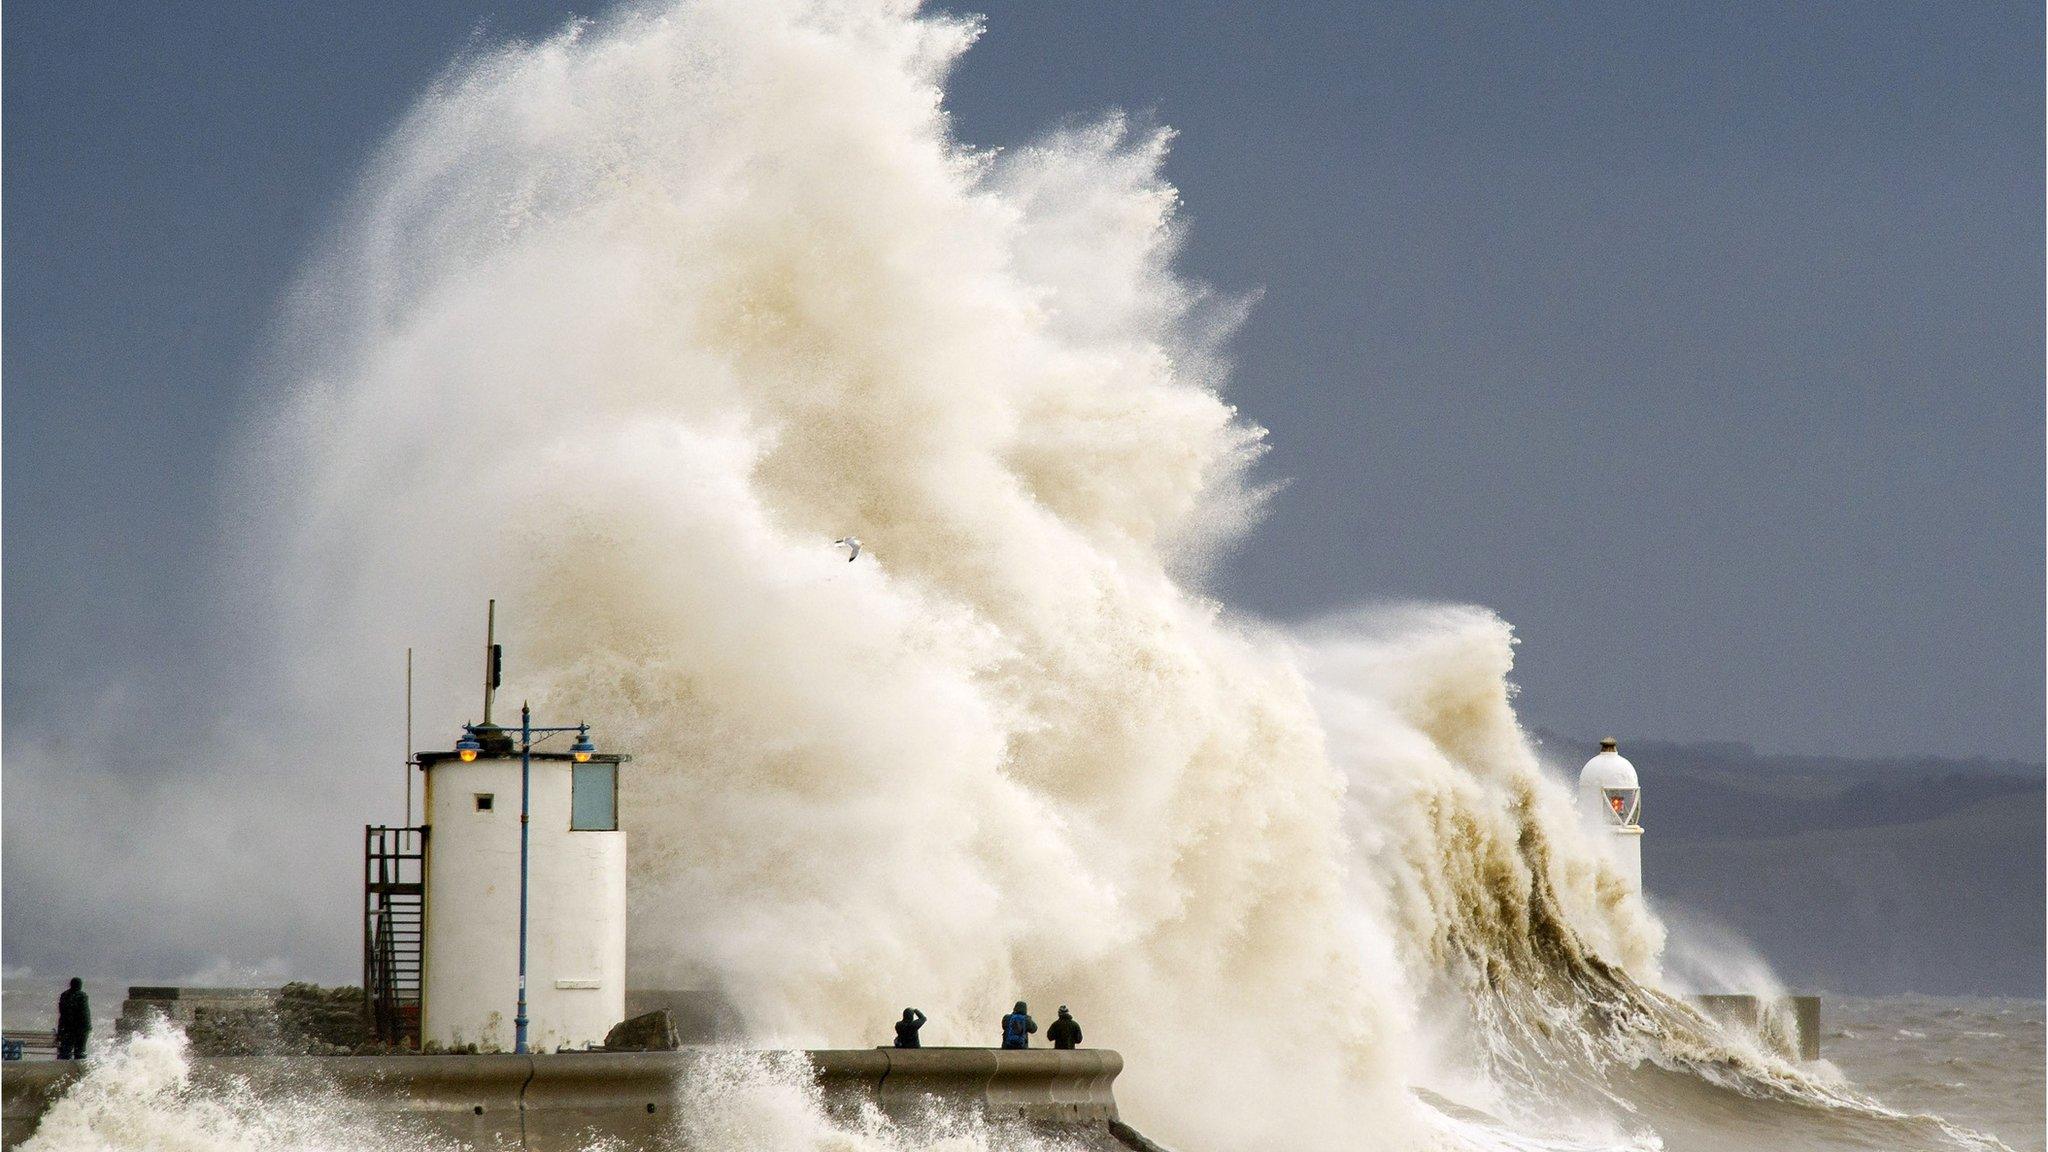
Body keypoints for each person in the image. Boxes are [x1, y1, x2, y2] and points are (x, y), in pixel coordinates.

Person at [55, 978, 90, 1061]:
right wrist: (87, 1028)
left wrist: (60, 1031)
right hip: (80, 1030)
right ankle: (78, 1071)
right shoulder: (82, 996)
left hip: (66, 1029)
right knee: (80, 1053)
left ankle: (62, 1069)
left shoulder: (64, 995)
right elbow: (85, 1014)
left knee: (65, 1053)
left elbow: (62, 1013)